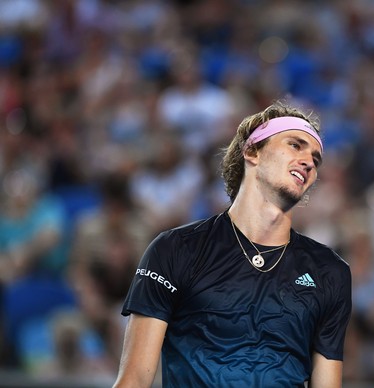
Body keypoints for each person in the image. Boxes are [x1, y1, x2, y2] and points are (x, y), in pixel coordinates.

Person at [113, 100, 352, 387]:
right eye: (295, 145)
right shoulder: (174, 249)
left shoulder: (330, 271)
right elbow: (134, 379)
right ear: (252, 152)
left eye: (316, 158)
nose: (309, 162)